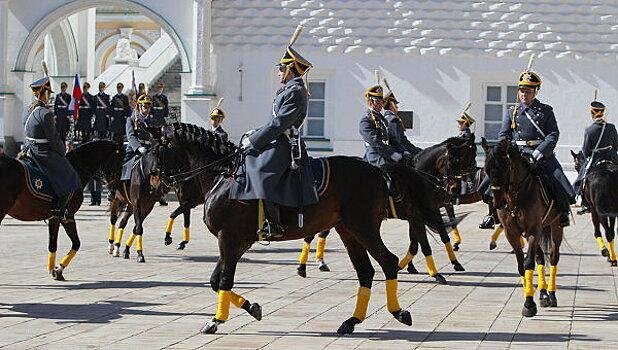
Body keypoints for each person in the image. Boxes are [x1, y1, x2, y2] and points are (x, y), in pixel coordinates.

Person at [229, 32, 318, 239]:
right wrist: (255, 133)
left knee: (261, 170)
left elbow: (280, 123)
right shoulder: (287, 90)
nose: (278, 72)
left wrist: (255, 139)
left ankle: (272, 222)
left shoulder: (296, 92)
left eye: (281, 68)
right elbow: (274, 122)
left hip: (285, 144)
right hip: (278, 138)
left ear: (289, 70)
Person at [497, 69, 575, 227]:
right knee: (494, 177)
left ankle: (562, 211)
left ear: (535, 91)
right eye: (522, 91)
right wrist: (505, 149)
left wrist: (540, 152)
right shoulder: (512, 112)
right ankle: (493, 212)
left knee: (556, 177)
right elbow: (503, 135)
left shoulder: (545, 111)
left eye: (528, 91)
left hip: (539, 153)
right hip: (517, 154)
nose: (524, 94)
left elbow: (553, 134)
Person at [23, 77, 81, 221]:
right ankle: (59, 208)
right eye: (48, 93)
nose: (50, 96)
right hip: (41, 151)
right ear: (44, 93)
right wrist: (63, 151)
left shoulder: (28, 110)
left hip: (29, 148)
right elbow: (54, 139)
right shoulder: (45, 113)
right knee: (69, 173)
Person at [573, 100, 618, 215]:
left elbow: (585, 150)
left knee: (583, 177)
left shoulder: (589, 130)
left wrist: (589, 155)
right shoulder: (612, 127)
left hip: (596, 158)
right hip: (612, 156)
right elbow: (616, 145)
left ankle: (584, 202)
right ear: (602, 113)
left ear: (592, 114)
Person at [121, 94, 167, 181]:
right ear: (139, 107)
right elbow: (131, 136)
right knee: (123, 166)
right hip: (135, 149)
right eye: (145, 106)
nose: (147, 109)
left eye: (149, 107)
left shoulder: (152, 121)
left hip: (149, 148)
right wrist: (138, 147)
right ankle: (115, 190)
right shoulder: (131, 120)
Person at [359, 84, 402, 167]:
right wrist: (391, 153)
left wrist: (403, 151)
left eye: (381, 101)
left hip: (386, 153)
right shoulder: (366, 120)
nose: (380, 104)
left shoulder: (382, 118)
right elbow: (374, 142)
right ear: (370, 102)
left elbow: (391, 138)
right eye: (377, 101)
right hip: (375, 156)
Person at [383, 89, 421, 164]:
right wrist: (414, 152)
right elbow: (398, 140)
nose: (397, 107)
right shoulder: (393, 120)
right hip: (397, 153)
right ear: (391, 106)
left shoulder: (385, 118)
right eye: (395, 105)